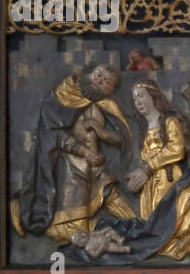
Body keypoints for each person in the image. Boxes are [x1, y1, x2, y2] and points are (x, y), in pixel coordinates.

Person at [89, 82, 190, 263]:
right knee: (153, 227)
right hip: (151, 185)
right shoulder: (146, 126)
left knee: (170, 220)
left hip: (168, 180)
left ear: (153, 97)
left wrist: (147, 168)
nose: (138, 101)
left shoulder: (169, 121)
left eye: (142, 96)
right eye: (135, 99)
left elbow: (176, 149)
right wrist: (139, 172)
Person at [11, 63, 136, 244]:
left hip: (94, 162)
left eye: (106, 82)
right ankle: (23, 209)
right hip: (66, 163)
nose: (100, 81)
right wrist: (84, 152)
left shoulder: (105, 104)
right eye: (99, 75)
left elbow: (123, 138)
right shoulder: (62, 95)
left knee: (109, 189)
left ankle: (137, 225)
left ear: (110, 90)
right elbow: (53, 134)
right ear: (88, 72)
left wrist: (102, 133)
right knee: (71, 228)